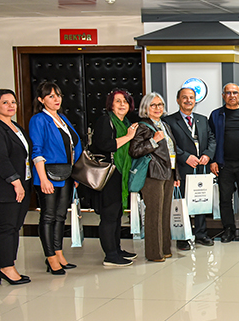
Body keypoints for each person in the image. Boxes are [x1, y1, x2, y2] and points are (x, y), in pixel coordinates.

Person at [29, 81, 81, 275]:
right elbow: (36, 150)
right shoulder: (38, 119)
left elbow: (73, 146)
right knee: (48, 216)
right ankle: (50, 256)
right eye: (51, 96)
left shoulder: (62, 118)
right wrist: (43, 179)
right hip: (47, 174)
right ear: (41, 100)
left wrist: (75, 173)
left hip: (66, 174)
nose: (56, 99)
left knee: (60, 216)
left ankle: (58, 252)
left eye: (58, 95)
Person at [0, 89, 32, 284]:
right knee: (7, 228)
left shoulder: (15, 127)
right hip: (5, 187)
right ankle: (5, 268)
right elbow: (1, 160)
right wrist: (16, 182)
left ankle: (9, 264)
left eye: (13, 102)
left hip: (22, 184)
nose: (11, 106)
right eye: (5, 102)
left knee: (15, 227)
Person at [89, 89, 139, 266]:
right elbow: (105, 145)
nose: (122, 104)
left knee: (117, 214)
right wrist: (128, 136)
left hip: (120, 174)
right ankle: (110, 255)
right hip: (108, 173)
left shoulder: (126, 122)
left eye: (125, 101)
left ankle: (117, 249)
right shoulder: (106, 121)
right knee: (109, 215)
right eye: (118, 101)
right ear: (111, 104)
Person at [164, 87, 216, 249]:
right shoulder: (169, 121)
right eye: (184, 97)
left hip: (201, 167)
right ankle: (183, 236)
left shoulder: (202, 119)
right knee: (182, 203)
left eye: (191, 97)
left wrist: (207, 155)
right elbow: (169, 144)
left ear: (195, 100)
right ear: (178, 100)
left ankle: (201, 234)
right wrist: (185, 157)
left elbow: (212, 139)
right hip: (182, 169)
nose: (188, 100)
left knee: (201, 200)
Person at [129, 93, 179, 262]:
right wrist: (153, 141)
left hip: (168, 173)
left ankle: (165, 249)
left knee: (165, 212)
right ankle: (154, 253)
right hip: (153, 174)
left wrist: (176, 174)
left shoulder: (164, 125)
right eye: (153, 105)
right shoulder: (142, 127)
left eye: (160, 105)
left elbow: (172, 152)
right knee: (154, 213)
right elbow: (135, 151)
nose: (158, 108)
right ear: (146, 107)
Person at [209, 83, 239, 243]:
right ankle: (228, 229)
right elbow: (211, 140)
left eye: (235, 92)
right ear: (223, 96)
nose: (232, 96)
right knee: (225, 198)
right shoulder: (216, 115)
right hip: (224, 164)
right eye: (228, 93)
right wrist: (213, 161)